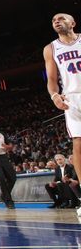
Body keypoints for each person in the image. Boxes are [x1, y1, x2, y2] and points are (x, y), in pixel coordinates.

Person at [45, 13, 81, 213]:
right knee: (78, 143)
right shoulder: (50, 48)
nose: (56, 21)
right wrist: (54, 96)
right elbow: (51, 78)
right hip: (72, 98)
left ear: (73, 23)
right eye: (53, 20)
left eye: (61, 18)